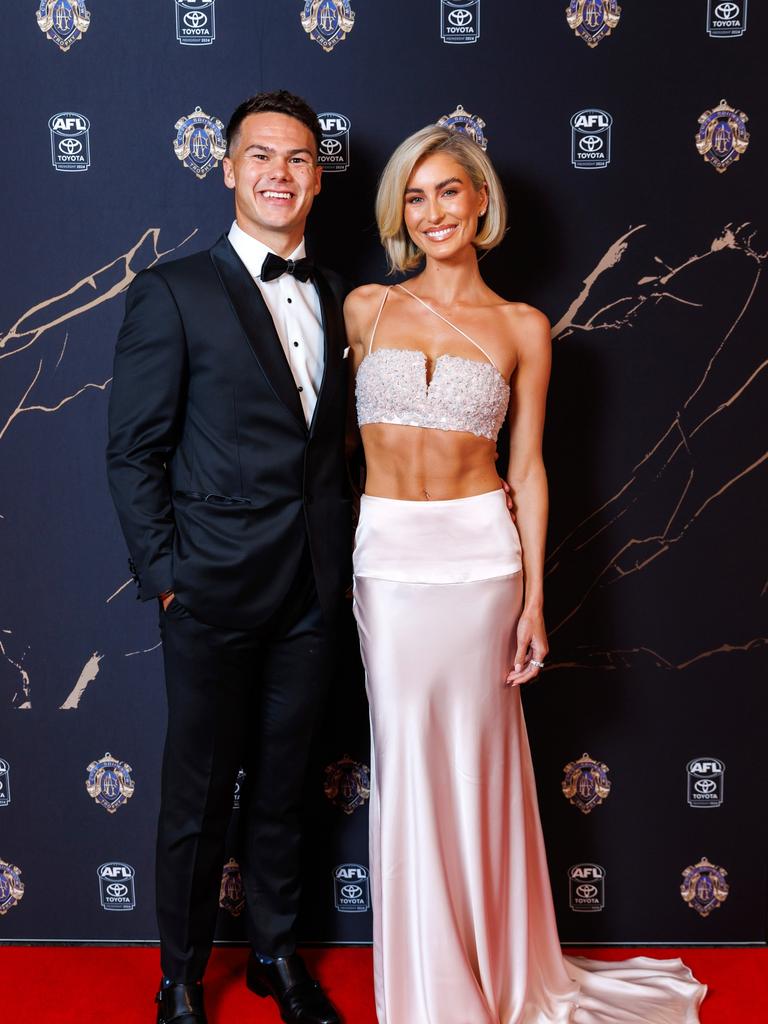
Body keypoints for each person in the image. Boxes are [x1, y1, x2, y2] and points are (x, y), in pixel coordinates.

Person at [344, 125, 707, 1024]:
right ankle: (428, 995)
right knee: (407, 766)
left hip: (481, 560)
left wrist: (536, 598)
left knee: (476, 768)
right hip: (386, 556)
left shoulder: (523, 328)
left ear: (480, 203)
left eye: (449, 193)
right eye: (415, 198)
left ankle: (498, 973)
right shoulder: (363, 308)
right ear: (402, 213)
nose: (433, 213)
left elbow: (533, 468)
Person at [106, 90, 348, 1024]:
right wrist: (167, 579)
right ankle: (178, 976)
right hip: (209, 589)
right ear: (227, 168)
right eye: (261, 157)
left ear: (317, 177)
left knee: (286, 787)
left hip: (316, 590)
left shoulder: (336, 295)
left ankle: (277, 958)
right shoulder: (172, 292)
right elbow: (133, 450)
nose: (278, 173)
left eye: (296, 159)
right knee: (198, 797)